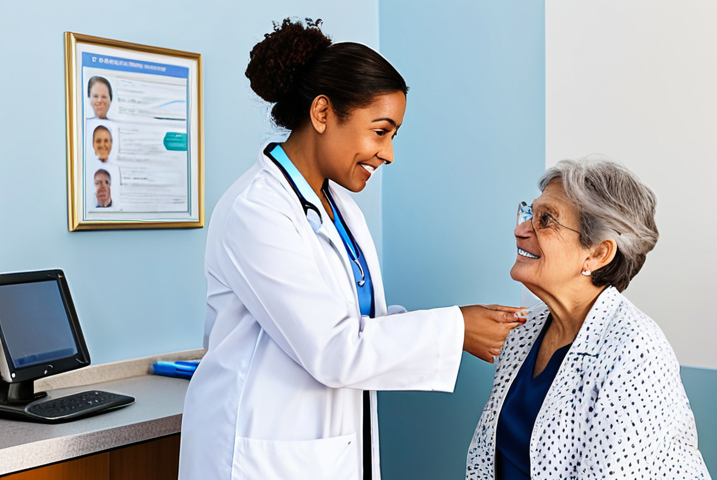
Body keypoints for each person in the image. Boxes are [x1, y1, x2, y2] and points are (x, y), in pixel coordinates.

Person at [179, 18, 524, 480]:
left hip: (323, 451)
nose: (389, 153)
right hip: (258, 456)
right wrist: (454, 329)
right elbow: (334, 347)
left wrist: (457, 326)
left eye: (393, 136)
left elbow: (362, 326)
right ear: (322, 113)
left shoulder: (338, 206)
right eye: (380, 131)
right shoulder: (256, 210)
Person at [466, 158, 711, 479]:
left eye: (546, 220)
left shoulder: (635, 351)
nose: (520, 229)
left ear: (597, 254)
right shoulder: (523, 334)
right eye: (530, 213)